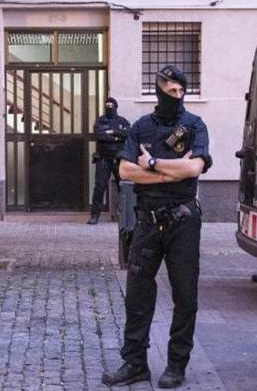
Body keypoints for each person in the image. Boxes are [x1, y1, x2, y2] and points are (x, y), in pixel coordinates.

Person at [103, 65, 212, 389]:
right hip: (148, 221)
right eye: (169, 89)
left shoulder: (194, 125)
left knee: (185, 295)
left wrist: (151, 163)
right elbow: (124, 171)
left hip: (183, 222)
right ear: (158, 89)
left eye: (179, 91)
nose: (174, 95)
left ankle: (176, 365)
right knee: (137, 294)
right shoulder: (141, 126)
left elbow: (195, 166)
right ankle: (135, 363)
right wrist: (172, 172)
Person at [88, 97, 130, 225]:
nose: (109, 107)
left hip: (118, 159)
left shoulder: (122, 121)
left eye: (112, 105)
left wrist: (112, 132)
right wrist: (117, 138)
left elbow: (127, 133)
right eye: (107, 105)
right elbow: (99, 135)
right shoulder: (101, 121)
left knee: (122, 187)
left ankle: (125, 215)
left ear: (116, 107)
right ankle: (95, 215)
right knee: (99, 187)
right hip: (103, 159)